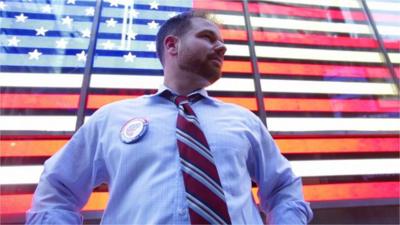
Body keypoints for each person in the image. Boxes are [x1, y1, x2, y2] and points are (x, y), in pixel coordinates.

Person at [26, 11, 313, 224]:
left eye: (222, 42)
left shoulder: (244, 121)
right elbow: (58, 188)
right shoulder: (111, 118)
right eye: (207, 37)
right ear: (172, 45)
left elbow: (283, 186)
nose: (222, 48)